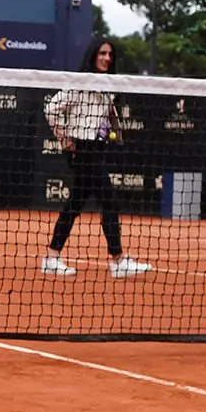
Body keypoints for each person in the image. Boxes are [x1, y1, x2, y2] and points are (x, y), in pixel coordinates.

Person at [43, 36, 152, 279]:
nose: (107, 58)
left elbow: (105, 115)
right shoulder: (79, 83)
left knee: (75, 204)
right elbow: (51, 109)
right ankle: (118, 260)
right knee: (110, 201)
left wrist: (113, 132)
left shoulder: (109, 86)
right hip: (81, 150)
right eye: (102, 53)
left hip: (96, 149)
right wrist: (65, 139)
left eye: (110, 55)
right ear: (93, 55)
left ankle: (52, 256)